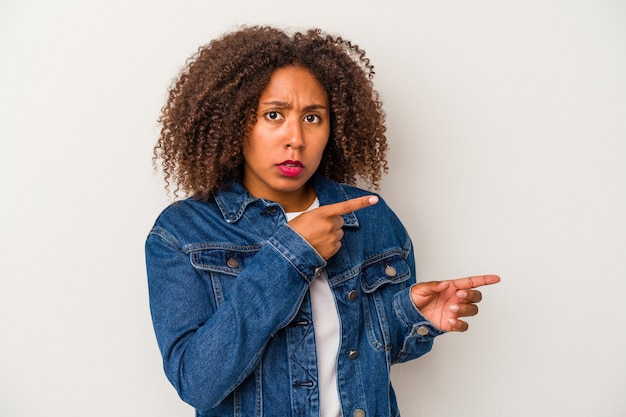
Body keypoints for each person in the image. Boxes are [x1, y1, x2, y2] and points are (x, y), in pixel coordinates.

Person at [145, 25, 500, 417]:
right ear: (233, 122)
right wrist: (291, 256)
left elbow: (371, 355)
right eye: (274, 115)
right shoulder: (183, 233)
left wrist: (412, 316)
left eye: (313, 117)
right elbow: (198, 383)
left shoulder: (369, 216)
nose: (295, 138)